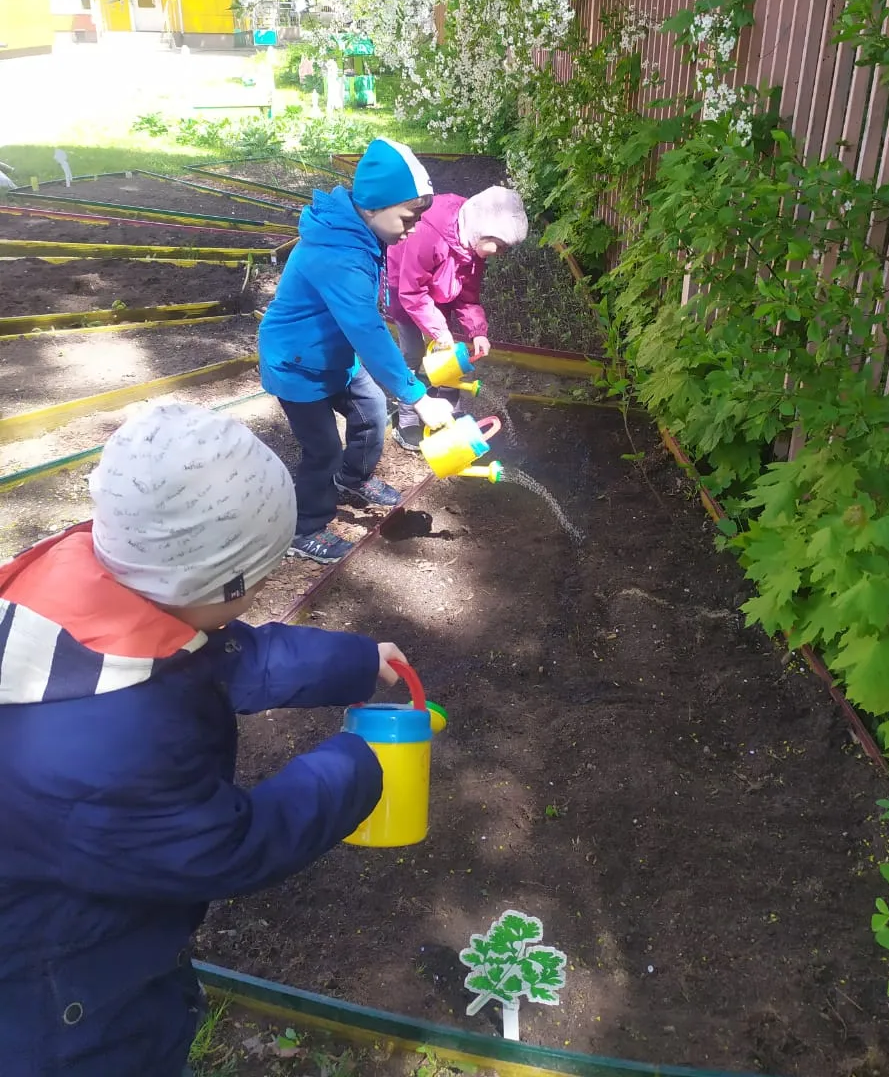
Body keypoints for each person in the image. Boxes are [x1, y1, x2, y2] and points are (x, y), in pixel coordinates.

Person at [0, 403, 409, 1077]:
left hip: (78, 916)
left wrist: (357, 661)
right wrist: (357, 764)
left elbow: (230, 658)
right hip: (58, 1003)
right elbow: (226, 846)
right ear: (215, 584)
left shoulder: (98, 585)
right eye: (257, 581)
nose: (259, 598)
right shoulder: (107, 750)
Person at [258, 137, 456, 565]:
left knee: (369, 412)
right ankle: (304, 527)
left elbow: (361, 321)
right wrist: (418, 396)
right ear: (373, 207)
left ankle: (354, 477)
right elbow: (367, 328)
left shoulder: (363, 233)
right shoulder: (339, 254)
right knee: (323, 449)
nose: (414, 227)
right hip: (297, 364)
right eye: (409, 216)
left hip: (334, 356)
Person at [386, 185, 529, 449]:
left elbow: (468, 293)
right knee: (412, 354)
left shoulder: (473, 241)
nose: (499, 255)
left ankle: (449, 411)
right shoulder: (429, 233)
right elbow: (412, 292)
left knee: (448, 355)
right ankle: (407, 420)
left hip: (440, 287)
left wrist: (478, 331)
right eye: (498, 247)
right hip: (405, 290)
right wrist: (440, 332)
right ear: (484, 232)